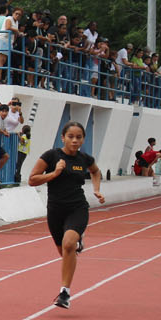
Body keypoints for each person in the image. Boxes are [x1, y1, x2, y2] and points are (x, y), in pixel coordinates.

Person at [27, 121, 105, 310]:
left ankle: (64, 293)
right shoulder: (51, 156)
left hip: (77, 208)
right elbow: (32, 180)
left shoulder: (85, 159)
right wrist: (55, 173)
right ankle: (77, 240)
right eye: (71, 137)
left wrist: (96, 189)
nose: (75, 140)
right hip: (55, 210)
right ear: (63, 137)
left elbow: (96, 171)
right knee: (64, 253)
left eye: (79, 137)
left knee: (69, 244)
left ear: (83, 139)